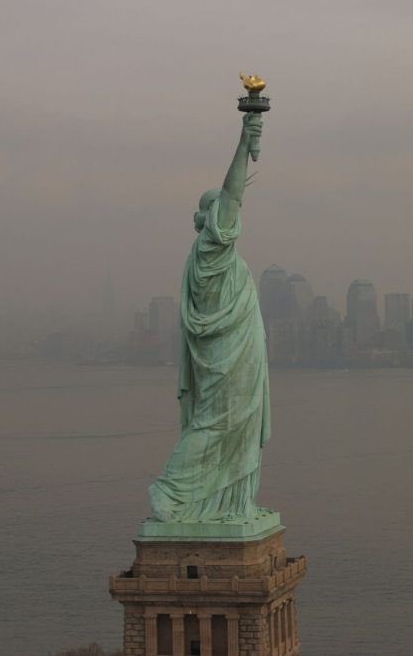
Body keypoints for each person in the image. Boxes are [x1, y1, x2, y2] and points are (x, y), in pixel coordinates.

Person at [148, 114, 269, 523]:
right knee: (218, 423)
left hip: (238, 352)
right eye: (225, 212)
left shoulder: (213, 255)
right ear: (216, 218)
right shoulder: (211, 250)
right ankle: (171, 490)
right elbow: (234, 195)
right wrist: (243, 142)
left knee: (236, 426)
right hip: (226, 357)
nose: (233, 217)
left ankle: (230, 501)